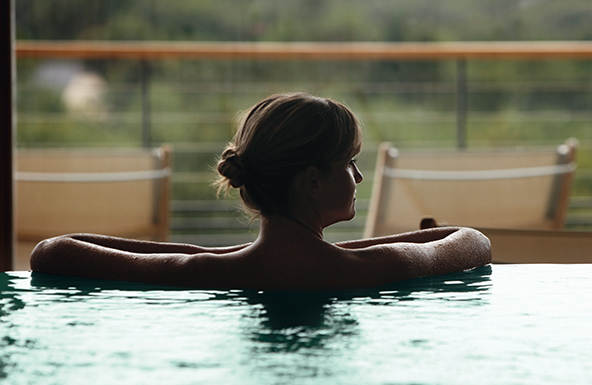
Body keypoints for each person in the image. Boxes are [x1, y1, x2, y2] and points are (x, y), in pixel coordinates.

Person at [30, 92, 491, 291]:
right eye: (350, 163)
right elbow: (472, 240)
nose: (359, 177)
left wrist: (201, 255)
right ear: (311, 180)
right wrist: (356, 250)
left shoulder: (204, 271)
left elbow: (52, 253)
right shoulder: (371, 268)